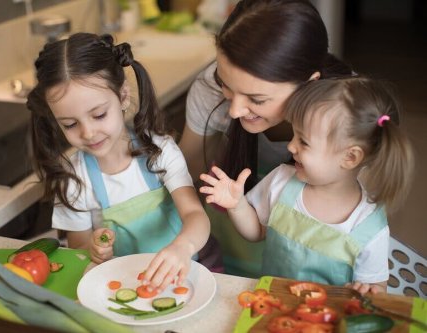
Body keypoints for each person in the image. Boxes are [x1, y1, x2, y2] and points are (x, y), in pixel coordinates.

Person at [178, 0, 353, 277]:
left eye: (257, 99)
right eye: (226, 85)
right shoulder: (209, 88)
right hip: (226, 253)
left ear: (310, 83)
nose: (235, 110)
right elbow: (186, 172)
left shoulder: (348, 114)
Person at [27, 32, 210, 293]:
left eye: (99, 115)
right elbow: (77, 247)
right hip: (121, 286)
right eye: (70, 124)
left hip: (184, 276)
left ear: (123, 96)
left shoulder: (160, 152)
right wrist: (94, 249)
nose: (88, 133)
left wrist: (183, 246)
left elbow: (195, 216)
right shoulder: (73, 178)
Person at [200, 77, 415, 293]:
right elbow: (257, 232)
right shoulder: (282, 181)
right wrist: (237, 205)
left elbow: (377, 288)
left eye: (303, 141)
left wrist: (368, 290)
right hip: (274, 305)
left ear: (350, 157)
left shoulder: (369, 226)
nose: (291, 146)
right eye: (294, 135)